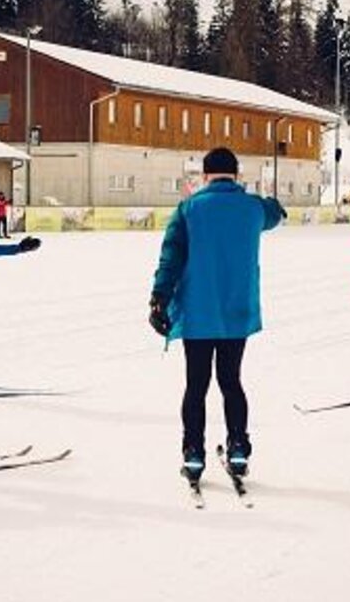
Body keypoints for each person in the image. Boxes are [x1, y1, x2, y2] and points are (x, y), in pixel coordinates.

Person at [149, 147, 286, 482]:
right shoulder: (253, 208)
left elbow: (171, 258)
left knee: (196, 385)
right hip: (236, 313)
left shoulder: (188, 209)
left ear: (205, 175)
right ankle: (238, 448)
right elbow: (276, 212)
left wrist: (159, 298)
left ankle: (194, 454)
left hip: (198, 313)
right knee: (231, 381)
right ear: (236, 175)